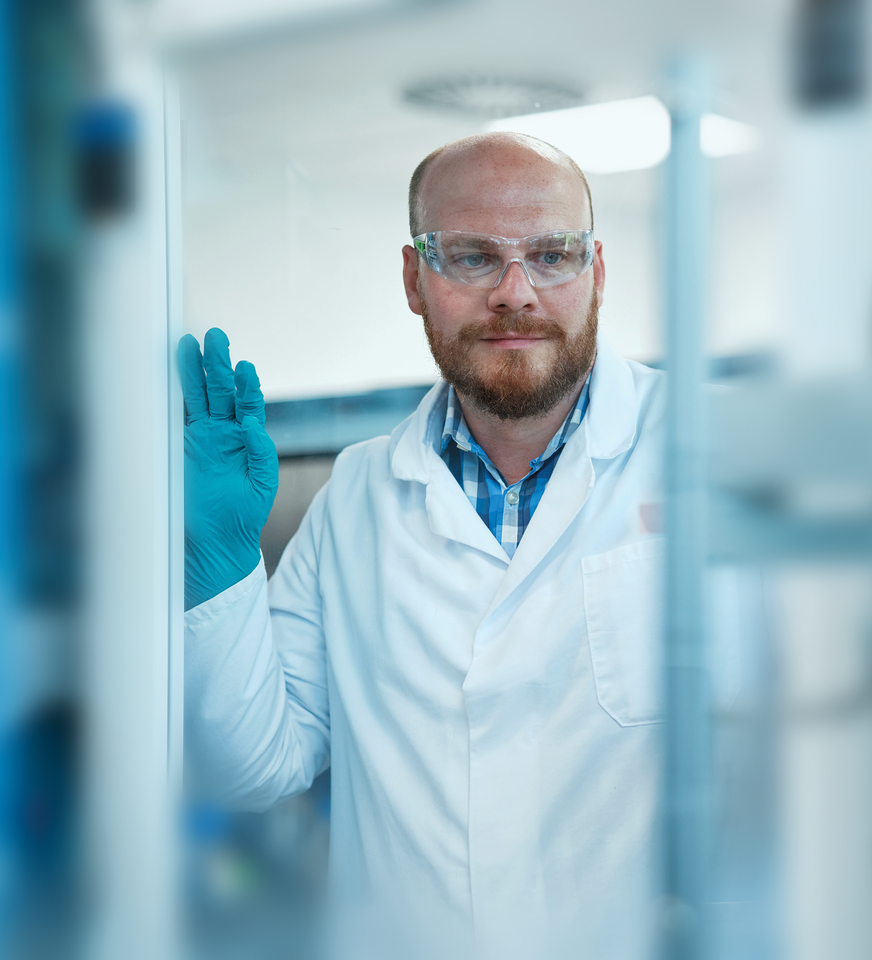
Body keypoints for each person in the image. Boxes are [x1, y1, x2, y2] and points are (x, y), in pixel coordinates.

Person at [180, 132, 666, 959]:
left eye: (552, 254)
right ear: (415, 279)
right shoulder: (357, 500)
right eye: (473, 258)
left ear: (598, 272)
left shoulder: (711, 452)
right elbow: (254, 768)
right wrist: (218, 569)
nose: (516, 292)